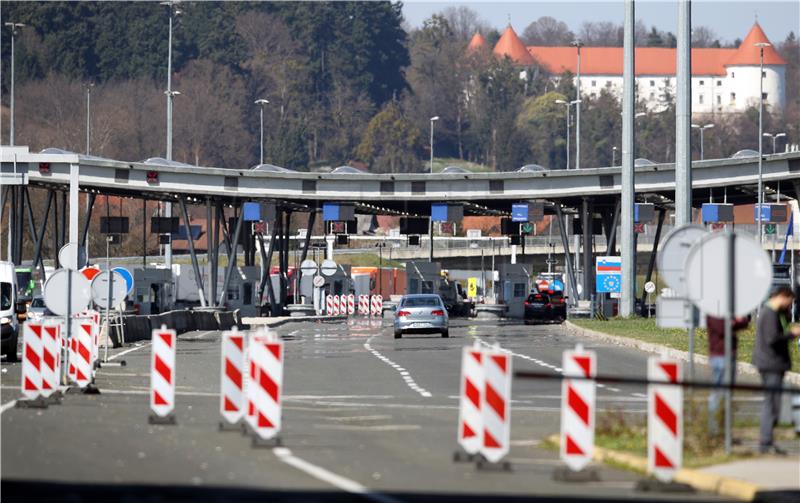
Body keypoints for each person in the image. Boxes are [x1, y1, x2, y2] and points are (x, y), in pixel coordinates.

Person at [753, 286, 800, 455]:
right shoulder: (769, 313)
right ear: (782, 296)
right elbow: (772, 338)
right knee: (772, 403)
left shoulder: (776, 312)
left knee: (774, 403)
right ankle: (765, 442)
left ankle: (768, 440)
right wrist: (792, 335)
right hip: (770, 363)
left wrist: (786, 314)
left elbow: (782, 326)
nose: (790, 305)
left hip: (773, 363)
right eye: (789, 301)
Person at [706, 314, 751, 435]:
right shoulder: (714, 312)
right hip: (720, 356)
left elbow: (745, 322)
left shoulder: (728, 311)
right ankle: (714, 429)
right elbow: (722, 328)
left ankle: (724, 430)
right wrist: (734, 322)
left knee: (727, 393)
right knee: (718, 393)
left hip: (730, 355)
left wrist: (736, 321)